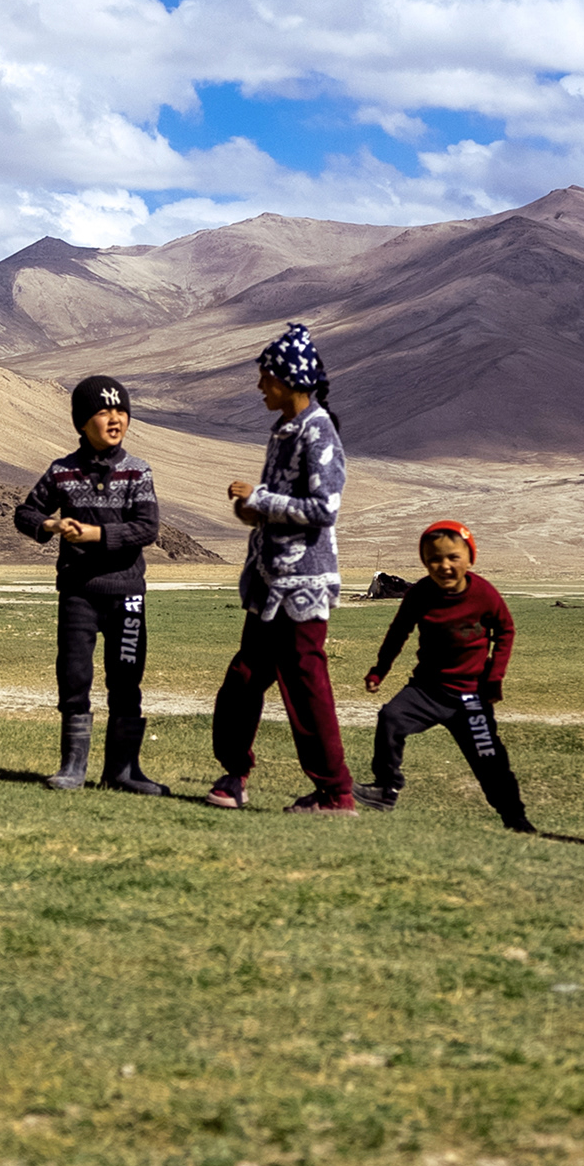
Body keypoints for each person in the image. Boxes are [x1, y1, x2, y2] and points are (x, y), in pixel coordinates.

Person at [206, 323, 353, 814]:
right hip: (269, 582)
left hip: (304, 585)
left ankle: (336, 792)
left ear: (288, 380)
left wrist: (260, 498)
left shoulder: (319, 431)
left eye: (265, 378)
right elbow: (278, 507)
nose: (260, 387)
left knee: (307, 687)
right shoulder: (284, 430)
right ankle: (233, 774)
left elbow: (324, 507)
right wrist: (251, 511)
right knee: (244, 679)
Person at [14, 375, 166, 795]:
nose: (115, 419)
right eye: (103, 412)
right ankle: (72, 767)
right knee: (74, 675)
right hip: (78, 592)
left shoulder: (138, 471)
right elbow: (25, 512)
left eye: (121, 411)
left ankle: (124, 770)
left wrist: (96, 536)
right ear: (82, 422)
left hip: (127, 594)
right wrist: (50, 523)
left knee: (126, 678)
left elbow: (146, 529)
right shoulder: (62, 472)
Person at [356, 521, 534, 834]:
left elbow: (505, 630)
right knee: (390, 718)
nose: (444, 565)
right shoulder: (420, 593)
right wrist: (379, 671)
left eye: (453, 557)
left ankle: (515, 818)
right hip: (426, 690)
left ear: (469, 558)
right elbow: (399, 632)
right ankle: (386, 789)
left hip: (471, 698)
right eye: (434, 559)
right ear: (425, 562)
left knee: (489, 759)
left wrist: (495, 677)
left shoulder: (484, 594)